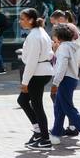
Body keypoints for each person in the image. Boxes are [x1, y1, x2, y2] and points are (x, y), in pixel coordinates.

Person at [49, 23, 80, 147]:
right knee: (59, 107)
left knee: (69, 109)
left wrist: (55, 83)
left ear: (58, 37)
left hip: (65, 79)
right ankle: (55, 134)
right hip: (71, 79)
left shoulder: (63, 48)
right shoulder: (71, 47)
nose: (53, 38)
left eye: (54, 35)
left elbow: (61, 67)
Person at [18, 9, 55, 149]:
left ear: (31, 20)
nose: (20, 21)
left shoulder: (34, 36)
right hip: (43, 71)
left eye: (23, 19)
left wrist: (25, 82)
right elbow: (50, 51)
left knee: (37, 106)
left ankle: (45, 139)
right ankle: (39, 132)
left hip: (37, 73)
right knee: (22, 100)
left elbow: (32, 61)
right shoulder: (41, 32)